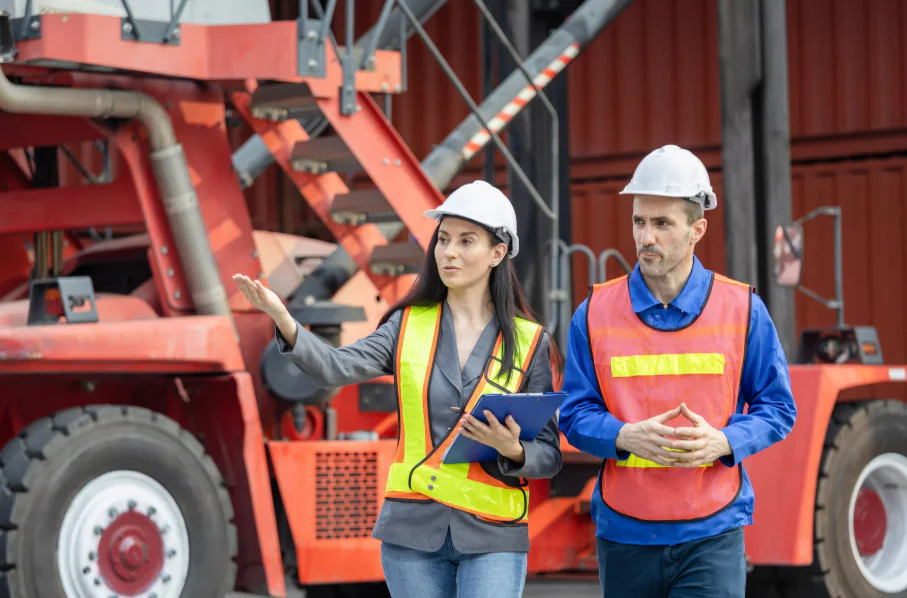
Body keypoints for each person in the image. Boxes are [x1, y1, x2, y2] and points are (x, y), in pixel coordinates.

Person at [234, 180, 562, 598]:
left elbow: (549, 456)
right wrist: (285, 322)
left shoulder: (530, 342)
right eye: (443, 239)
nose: (450, 252)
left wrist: (514, 450)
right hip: (413, 534)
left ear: (498, 253)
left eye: (466, 241)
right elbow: (336, 367)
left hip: (493, 534)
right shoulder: (405, 326)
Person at [558, 144, 797, 598]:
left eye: (662, 223)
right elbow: (573, 414)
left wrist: (724, 441)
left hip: (712, 531)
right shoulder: (593, 312)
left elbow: (778, 408)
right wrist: (624, 436)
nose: (646, 237)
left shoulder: (743, 309)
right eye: (639, 221)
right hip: (625, 534)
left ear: (697, 230)